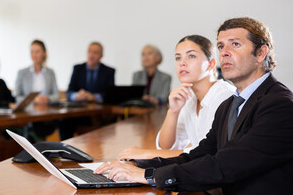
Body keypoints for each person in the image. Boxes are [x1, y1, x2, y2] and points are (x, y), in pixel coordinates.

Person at [94, 17, 293, 194]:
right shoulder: (229, 105)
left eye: (235, 44)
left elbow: (224, 165)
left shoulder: (280, 105)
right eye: (221, 46)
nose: (225, 53)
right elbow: (197, 156)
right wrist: (136, 165)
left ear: (261, 53)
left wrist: (148, 175)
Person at [118, 35, 235, 160]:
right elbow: (165, 148)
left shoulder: (224, 96)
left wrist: (145, 154)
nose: (182, 63)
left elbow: (207, 153)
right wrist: (173, 111)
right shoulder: (190, 100)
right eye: (178, 58)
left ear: (211, 64)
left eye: (191, 56)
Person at [59, 42, 115, 140]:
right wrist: (76, 95)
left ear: (101, 56)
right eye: (89, 51)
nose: (91, 55)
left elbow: (111, 95)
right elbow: (69, 92)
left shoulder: (109, 71)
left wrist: (94, 97)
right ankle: (65, 151)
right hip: (78, 112)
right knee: (64, 122)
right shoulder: (78, 69)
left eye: (95, 52)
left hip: (98, 114)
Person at [14, 40, 60, 140]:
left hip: (46, 114)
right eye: (32, 51)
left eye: (37, 51)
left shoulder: (50, 73)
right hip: (28, 114)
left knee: (60, 121)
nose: (34, 55)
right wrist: (33, 100)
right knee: (34, 128)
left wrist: (46, 98)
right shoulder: (22, 73)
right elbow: (16, 96)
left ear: (44, 53)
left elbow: (57, 95)